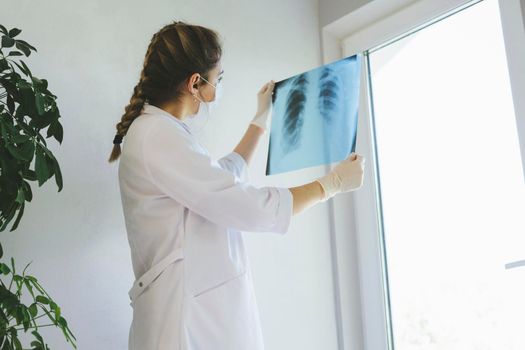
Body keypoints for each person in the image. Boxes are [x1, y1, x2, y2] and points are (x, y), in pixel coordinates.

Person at [108, 20, 365, 350]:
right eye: (219, 78)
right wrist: (331, 185)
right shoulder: (157, 136)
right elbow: (246, 206)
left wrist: (260, 122)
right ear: (195, 83)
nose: (219, 86)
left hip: (195, 309)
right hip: (184, 320)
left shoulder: (162, 133)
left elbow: (220, 178)